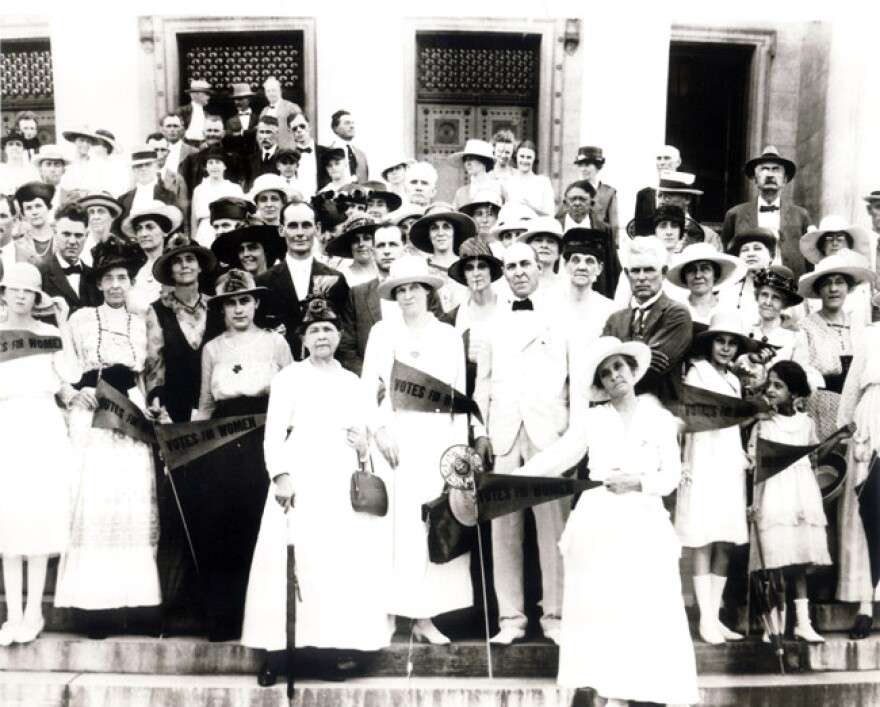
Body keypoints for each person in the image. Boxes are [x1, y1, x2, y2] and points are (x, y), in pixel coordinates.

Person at [516, 336, 698, 707]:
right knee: (603, 608)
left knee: (643, 608)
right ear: (600, 384)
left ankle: (641, 688)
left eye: (619, 367)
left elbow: (669, 477)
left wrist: (638, 482)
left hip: (644, 522)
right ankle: (608, 691)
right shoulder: (592, 420)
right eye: (605, 372)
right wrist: (510, 480)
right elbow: (556, 458)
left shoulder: (660, 418)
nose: (614, 375)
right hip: (598, 522)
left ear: (632, 371)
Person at [242, 297, 393, 685]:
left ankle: (326, 651)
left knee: (333, 566)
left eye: (328, 329)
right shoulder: (289, 378)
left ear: (339, 335)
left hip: (340, 481)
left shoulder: (352, 381)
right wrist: (280, 476)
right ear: (303, 339)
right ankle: (276, 653)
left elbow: (365, 435)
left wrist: (363, 448)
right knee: (286, 564)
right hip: (301, 477)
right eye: (314, 330)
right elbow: (273, 433)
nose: (322, 336)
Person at [174, 269, 292, 642]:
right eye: (230, 303)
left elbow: (292, 399)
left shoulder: (276, 344)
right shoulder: (212, 349)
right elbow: (206, 403)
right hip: (222, 446)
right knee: (221, 527)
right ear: (221, 309)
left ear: (256, 303)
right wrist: (191, 447)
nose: (239, 309)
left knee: (259, 525)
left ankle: (262, 619)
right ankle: (224, 615)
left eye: (244, 301)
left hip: (265, 439)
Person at [54, 236, 161, 639]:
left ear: (131, 281)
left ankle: (137, 605)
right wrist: (71, 391)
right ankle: (94, 608)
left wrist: (150, 404)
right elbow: (64, 366)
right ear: (98, 283)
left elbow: (145, 373)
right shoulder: (81, 319)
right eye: (109, 278)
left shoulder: (141, 320)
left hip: (129, 413)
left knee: (132, 504)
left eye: (123, 277)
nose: (116, 285)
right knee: (97, 503)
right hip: (93, 412)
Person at [361, 255, 472, 644]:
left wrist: (458, 452)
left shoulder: (447, 336)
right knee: (394, 528)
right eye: (401, 289)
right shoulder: (381, 333)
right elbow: (368, 390)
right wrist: (380, 432)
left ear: (428, 292)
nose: (408, 295)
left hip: (436, 439)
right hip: (395, 440)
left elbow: (459, 397)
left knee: (430, 523)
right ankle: (389, 612)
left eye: (414, 288)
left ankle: (425, 617)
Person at [473, 241, 575, 646]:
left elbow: (577, 383)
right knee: (505, 534)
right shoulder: (492, 323)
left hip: (550, 437)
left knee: (554, 532)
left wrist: (574, 438)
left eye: (525, 265)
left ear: (540, 267)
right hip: (503, 436)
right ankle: (510, 619)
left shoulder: (563, 317)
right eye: (511, 266)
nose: (518, 272)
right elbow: (482, 383)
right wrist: (480, 431)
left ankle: (556, 617)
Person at [0, 263, 80, 645]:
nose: (19, 296)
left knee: (38, 521)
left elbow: (72, 373)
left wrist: (63, 323)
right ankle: (12, 615)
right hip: (6, 424)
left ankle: (34, 612)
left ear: (36, 297)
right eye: (13, 290)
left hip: (43, 425)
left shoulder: (49, 333)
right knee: (9, 522)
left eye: (27, 291)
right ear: (4, 293)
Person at [676, 313, 754, 645]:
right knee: (703, 536)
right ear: (710, 344)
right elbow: (691, 419)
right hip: (703, 458)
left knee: (725, 538)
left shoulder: (735, 381)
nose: (725, 348)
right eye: (720, 341)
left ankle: (715, 616)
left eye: (731, 342)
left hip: (728, 462)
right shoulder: (697, 372)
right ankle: (706, 618)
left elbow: (734, 424)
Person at [747, 360, 831, 643]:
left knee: (799, 558)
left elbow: (814, 458)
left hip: (801, 493)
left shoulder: (806, 423)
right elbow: (757, 468)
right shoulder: (764, 425)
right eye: (768, 384)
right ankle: (777, 619)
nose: (770, 390)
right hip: (774, 493)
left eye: (778, 385)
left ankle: (803, 622)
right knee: (777, 558)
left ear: (794, 393)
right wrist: (755, 502)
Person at [793, 252, 875, 441]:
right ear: (818, 290)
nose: (833, 289)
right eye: (826, 283)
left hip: (857, 407)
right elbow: (801, 371)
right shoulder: (805, 327)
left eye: (839, 282)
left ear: (848, 287)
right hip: (821, 408)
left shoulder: (860, 326)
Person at [602, 235, 693, 402]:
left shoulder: (677, 313)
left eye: (649, 269)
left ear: (664, 272)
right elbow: (602, 369)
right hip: (619, 414)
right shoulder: (615, 320)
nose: (642, 277)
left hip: (662, 411)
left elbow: (651, 371)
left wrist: (618, 359)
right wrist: (641, 356)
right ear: (627, 274)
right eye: (636, 270)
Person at [256, 200, 349, 359]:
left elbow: (344, 332)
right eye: (292, 226)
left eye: (306, 225)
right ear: (281, 230)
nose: (300, 233)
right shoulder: (263, 282)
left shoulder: (335, 279)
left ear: (317, 229)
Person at [837, 317, 880, 638]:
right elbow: (852, 387)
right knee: (869, 515)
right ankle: (866, 604)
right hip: (871, 421)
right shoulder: (870, 335)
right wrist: (845, 432)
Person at [721, 146, 812, 280]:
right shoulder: (735, 214)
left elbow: (810, 257)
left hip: (790, 287)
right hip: (748, 285)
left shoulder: (801, 215)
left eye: (776, 169)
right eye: (764, 169)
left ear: (785, 179)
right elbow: (727, 254)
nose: (770, 174)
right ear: (754, 179)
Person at [442, 237, 504, 396]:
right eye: (470, 268)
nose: (476, 274)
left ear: (491, 270)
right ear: (463, 275)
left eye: (482, 266)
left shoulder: (507, 309)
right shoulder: (453, 317)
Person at [800, 215, 876, 329]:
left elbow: (864, 323)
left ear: (848, 244)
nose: (835, 243)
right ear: (822, 245)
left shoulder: (860, 283)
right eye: (829, 239)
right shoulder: (813, 281)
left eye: (840, 239)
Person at [119, 201, 184, 315]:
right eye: (139, 228)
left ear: (164, 231)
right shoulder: (135, 271)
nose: (143, 234)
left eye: (150, 227)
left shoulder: (173, 269)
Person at [408, 204, 474, 312]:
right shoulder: (421, 269)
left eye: (446, 227)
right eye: (434, 228)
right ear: (428, 234)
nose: (440, 233)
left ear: (454, 231)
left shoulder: (468, 266)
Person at [664, 242, 746, 325]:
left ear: (715, 275)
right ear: (685, 277)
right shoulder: (675, 310)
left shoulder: (728, 309)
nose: (698, 275)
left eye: (705, 269)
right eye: (691, 270)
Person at [38, 201, 98, 315]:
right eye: (66, 234)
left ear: (86, 236)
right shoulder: (40, 274)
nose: (72, 241)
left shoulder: (95, 277)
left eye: (78, 235)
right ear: (55, 233)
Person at [190, 146, 244, 246]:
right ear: (206, 167)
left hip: (228, 232)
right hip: (204, 234)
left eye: (218, 162)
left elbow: (242, 218)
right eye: (210, 163)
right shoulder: (199, 189)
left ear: (225, 166)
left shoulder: (234, 188)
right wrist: (194, 242)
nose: (214, 166)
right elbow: (194, 221)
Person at [574, 146, 619, 244]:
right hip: (576, 242)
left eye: (587, 165)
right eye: (581, 165)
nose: (583, 169)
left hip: (599, 243)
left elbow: (613, 224)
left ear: (598, 167)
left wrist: (614, 247)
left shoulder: (608, 192)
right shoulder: (573, 190)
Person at [500, 139, 554, 217]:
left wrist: (532, 208)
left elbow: (550, 214)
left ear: (534, 159)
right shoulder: (506, 183)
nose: (525, 161)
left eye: (529, 157)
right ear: (516, 157)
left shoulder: (543, 182)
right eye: (522, 156)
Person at [211, 224, 285, 278]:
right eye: (241, 250)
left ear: (266, 250)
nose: (245, 254)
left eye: (252, 248)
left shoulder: (280, 281)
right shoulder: (234, 287)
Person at [326, 216, 379, 287]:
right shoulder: (342, 277)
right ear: (349, 245)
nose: (361, 244)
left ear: (375, 242)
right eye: (355, 240)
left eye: (366, 238)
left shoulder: (386, 272)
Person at [634, 144, 681, 221]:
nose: (662, 162)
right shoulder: (644, 194)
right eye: (659, 158)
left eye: (667, 158)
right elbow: (639, 229)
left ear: (678, 162)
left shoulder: (687, 193)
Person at [451, 139, 501, 210]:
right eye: (465, 159)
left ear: (484, 160)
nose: (467, 163)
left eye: (471, 159)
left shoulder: (498, 189)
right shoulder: (461, 193)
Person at [15, 181, 56, 265]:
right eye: (28, 208)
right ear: (23, 213)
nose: (34, 212)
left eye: (38, 206)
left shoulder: (60, 237)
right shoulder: (19, 244)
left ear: (48, 207)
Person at [258, 77, 303, 150]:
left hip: (287, 150)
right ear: (265, 94)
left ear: (280, 91)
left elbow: (300, 130)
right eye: (268, 91)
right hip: (269, 152)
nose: (271, 93)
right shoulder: (264, 111)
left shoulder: (291, 107)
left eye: (274, 90)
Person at [327, 109, 368, 183]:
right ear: (335, 128)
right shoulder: (327, 153)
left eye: (352, 123)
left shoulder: (361, 155)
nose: (352, 126)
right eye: (347, 123)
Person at [0, 129, 39, 196]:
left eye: (18, 144)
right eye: (10, 144)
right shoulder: (1, 169)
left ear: (24, 149)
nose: (14, 147)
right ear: (5, 149)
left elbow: (37, 193)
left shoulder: (32, 170)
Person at [179, 79, 213, 145]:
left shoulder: (207, 114)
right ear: (197, 94)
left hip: (203, 146)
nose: (209, 97)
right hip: (187, 145)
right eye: (207, 94)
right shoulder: (182, 111)